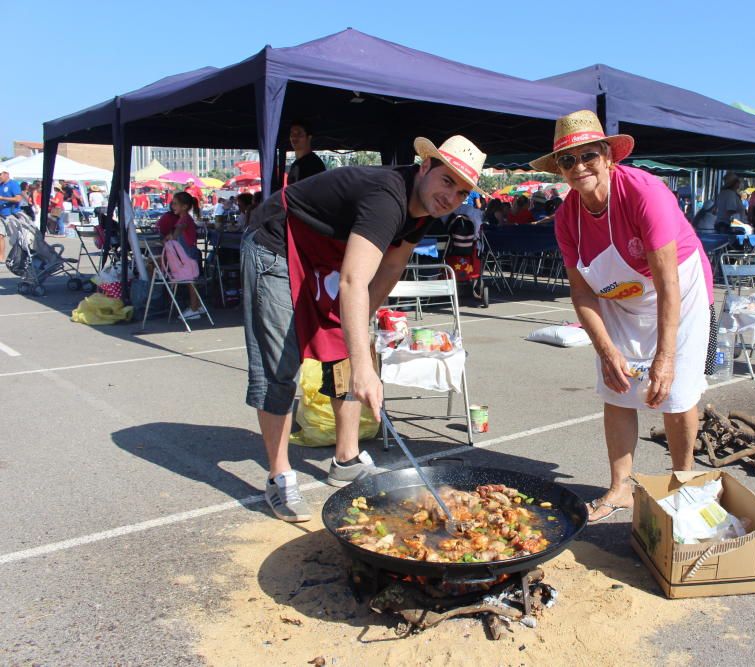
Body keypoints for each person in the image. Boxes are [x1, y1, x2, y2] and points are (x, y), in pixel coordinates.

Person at [242, 135, 486, 522]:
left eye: (461, 192)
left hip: (329, 258)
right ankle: (279, 475)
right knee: (280, 364)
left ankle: (347, 458)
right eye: (446, 181)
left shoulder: (422, 211)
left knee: (346, 345)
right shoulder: (387, 198)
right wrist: (363, 364)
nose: (451, 196)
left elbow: (389, 268)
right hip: (278, 244)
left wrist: (359, 328)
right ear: (425, 167)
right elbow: (354, 281)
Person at [531, 110, 712, 523]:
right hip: (616, 295)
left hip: (677, 290)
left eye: (588, 156)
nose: (579, 167)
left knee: (677, 391)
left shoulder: (645, 193)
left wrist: (665, 357)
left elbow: (668, 283)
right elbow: (581, 292)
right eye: (567, 161)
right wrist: (606, 350)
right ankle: (620, 488)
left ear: (609, 157)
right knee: (616, 389)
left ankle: (681, 482)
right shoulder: (566, 218)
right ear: (559, 170)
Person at [156, 191, 205, 320]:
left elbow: (179, 230)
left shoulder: (184, 219)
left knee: (190, 282)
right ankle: (197, 306)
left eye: (175, 204)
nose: (173, 206)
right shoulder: (184, 218)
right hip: (189, 253)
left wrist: (171, 236)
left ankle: (194, 309)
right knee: (191, 281)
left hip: (187, 255)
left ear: (184, 206)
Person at [286, 120, 326, 184]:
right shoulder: (294, 165)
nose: (294, 137)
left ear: (309, 137)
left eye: (299, 133)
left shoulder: (315, 164)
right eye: (292, 133)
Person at [0, 171, 22, 259]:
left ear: (6, 174)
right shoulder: (1, 185)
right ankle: (1, 258)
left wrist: (2, 198)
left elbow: (18, 199)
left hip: (12, 214)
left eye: (0, 174)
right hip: (1, 214)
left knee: (15, 238)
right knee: (0, 236)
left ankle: (19, 256)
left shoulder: (13, 184)